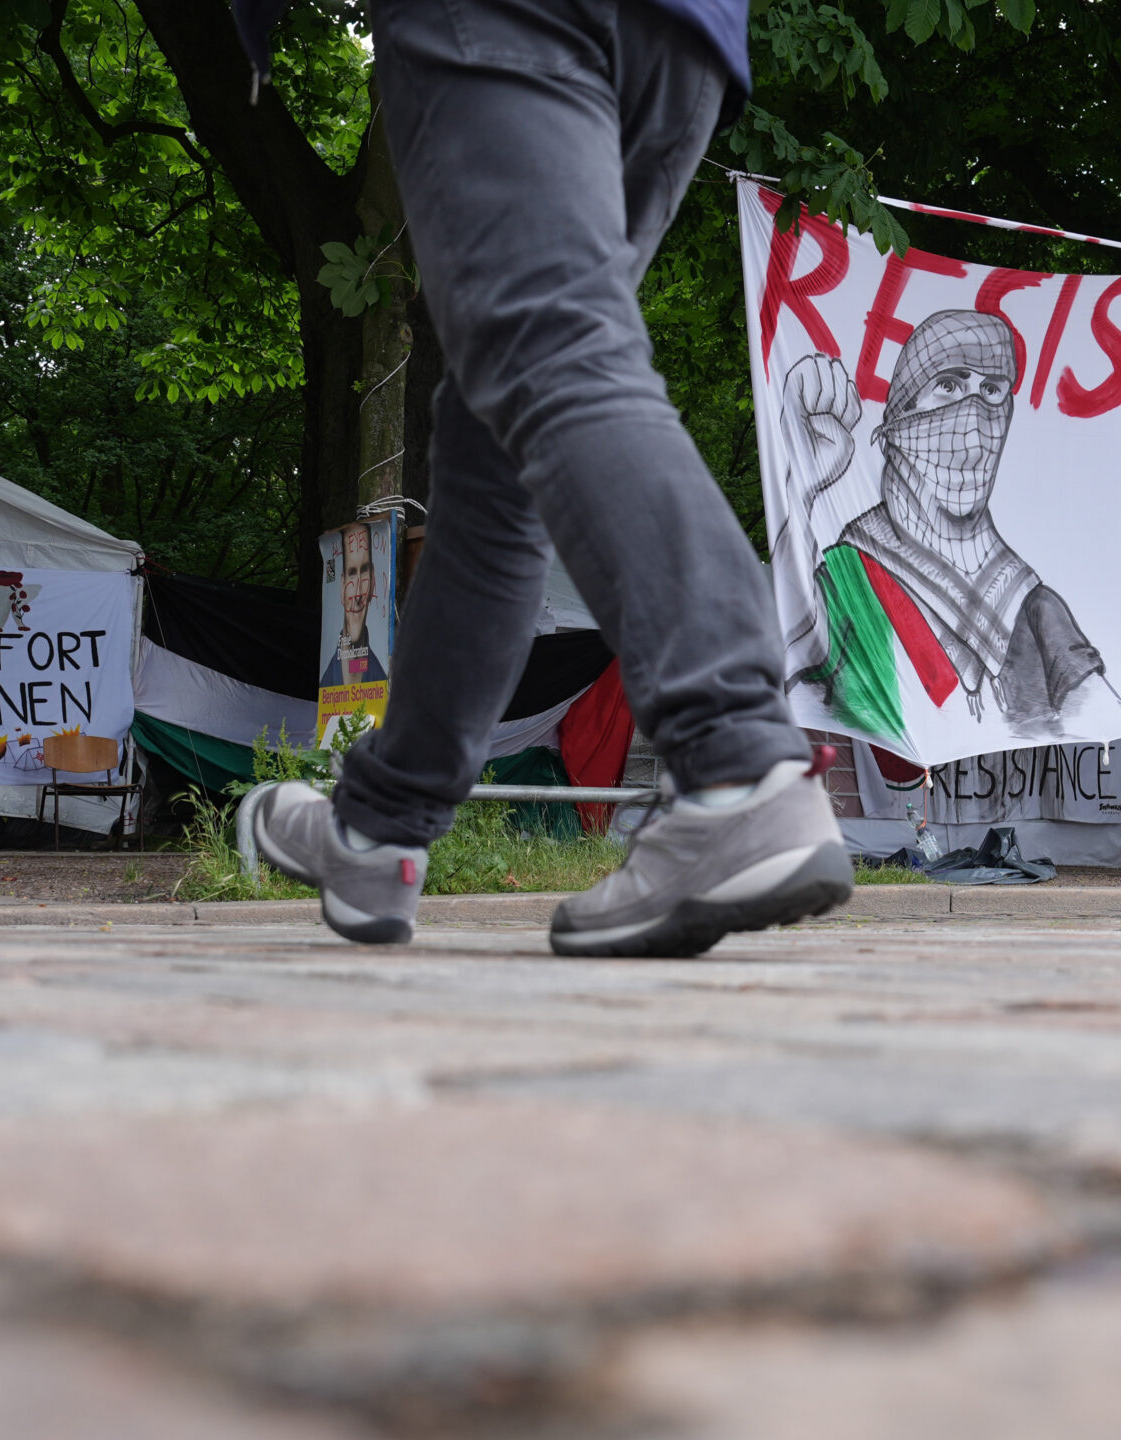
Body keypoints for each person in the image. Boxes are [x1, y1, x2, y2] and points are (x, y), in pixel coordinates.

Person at [233, 0, 852, 953]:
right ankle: (380, 823)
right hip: (682, 40)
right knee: (498, 449)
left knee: (554, 351)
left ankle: (737, 760)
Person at [781, 311, 1106, 734]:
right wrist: (799, 490)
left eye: (991, 391)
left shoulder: (1035, 606)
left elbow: (1102, 720)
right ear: (900, 422)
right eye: (948, 385)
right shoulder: (848, 584)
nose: (972, 433)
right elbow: (781, 665)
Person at [318, 522, 387, 689]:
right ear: (342, 587)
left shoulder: (381, 679)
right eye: (351, 573)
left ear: (372, 584)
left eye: (363, 571)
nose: (357, 593)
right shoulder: (326, 683)